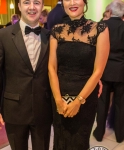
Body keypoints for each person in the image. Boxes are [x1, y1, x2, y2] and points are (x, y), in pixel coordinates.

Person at [0, 0, 52, 149]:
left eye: (37, 2)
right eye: (27, 2)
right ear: (19, 6)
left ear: (42, 7)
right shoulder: (2, 36)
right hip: (14, 109)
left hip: (43, 108)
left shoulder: (51, 36)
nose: (32, 7)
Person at [48, 0, 109, 149]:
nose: (72, 3)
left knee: (79, 142)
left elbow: (98, 71)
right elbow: (51, 66)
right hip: (59, 96)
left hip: (86, 98)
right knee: (60, 140)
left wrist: (78, 101)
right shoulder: (57, 30)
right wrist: (57, 99)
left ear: (84, 2)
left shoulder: (99, 28)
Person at [93, 0, 124, 143]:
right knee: (120, 105)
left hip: (104, 71)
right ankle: (119, 135)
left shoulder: (102, 26)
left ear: (110, 12)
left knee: (102, 103)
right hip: (121, 72)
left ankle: (99, 133)